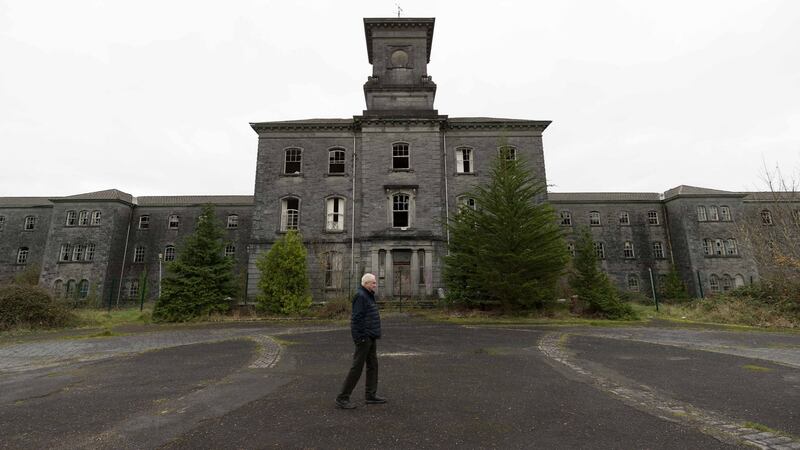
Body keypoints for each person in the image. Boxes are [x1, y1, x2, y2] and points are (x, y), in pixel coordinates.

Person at [335, 273, 387, 409]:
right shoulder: (361, 296)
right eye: (373, 283)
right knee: (357, 368)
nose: (375, 285)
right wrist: (360, 338)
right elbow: (356, 319)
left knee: (373, 365)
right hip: (364, 338)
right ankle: (342, 398)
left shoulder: (368, 295)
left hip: (371, 336)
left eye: (375, 282)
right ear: (366, 284)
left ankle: (370, 395)